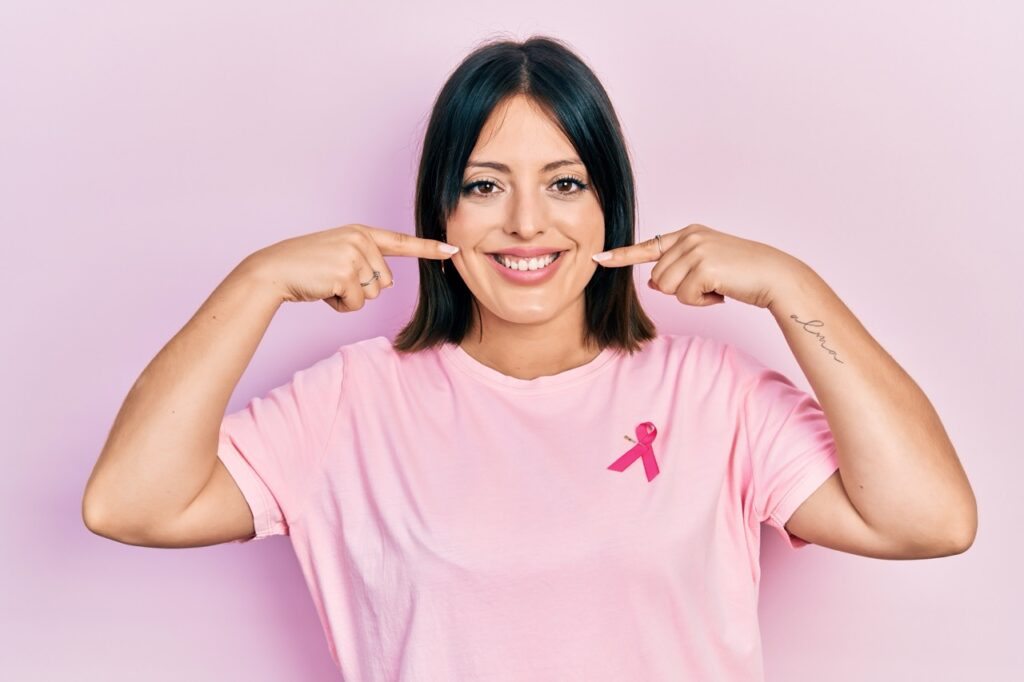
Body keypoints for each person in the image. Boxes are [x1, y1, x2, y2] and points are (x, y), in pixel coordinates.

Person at [83, 35, 975, 681]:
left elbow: (928, 520)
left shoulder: (712, 394)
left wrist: (795, 290)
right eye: (482, 186)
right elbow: (129, 503)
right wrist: (257, 282)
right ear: (442, 212)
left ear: (608, 209)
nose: (524, 224)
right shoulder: (351, 404)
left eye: (564, 183)